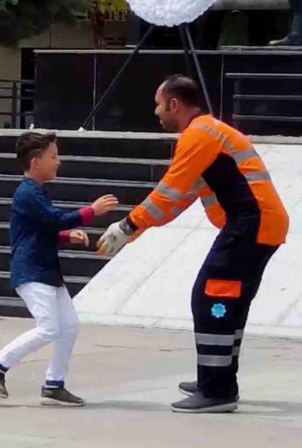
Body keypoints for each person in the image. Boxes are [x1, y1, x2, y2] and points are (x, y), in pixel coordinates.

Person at [97, 75, 289, 413]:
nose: (156, 112)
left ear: (174, 104)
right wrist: (132, 233)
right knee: (227, 302)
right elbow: (177, 200)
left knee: (211, 298)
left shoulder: (198, 135)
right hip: (255, 225)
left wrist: (127, 225)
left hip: (250, 225)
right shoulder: (208, 134)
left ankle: (217, 390)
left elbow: (168, 190)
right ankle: (216, 379)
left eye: (158, 104)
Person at [0, 131, 118, 406]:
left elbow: (43, 228)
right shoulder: (27, 193)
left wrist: (67, 236)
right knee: (50, 327)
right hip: (31, 270)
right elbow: (53, 219)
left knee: (69, 326)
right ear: (34, 162)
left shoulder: (37, 192)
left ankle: (54, 384)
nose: (58, 162)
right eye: (53, 156)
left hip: (45, 270)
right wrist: (91, 211)